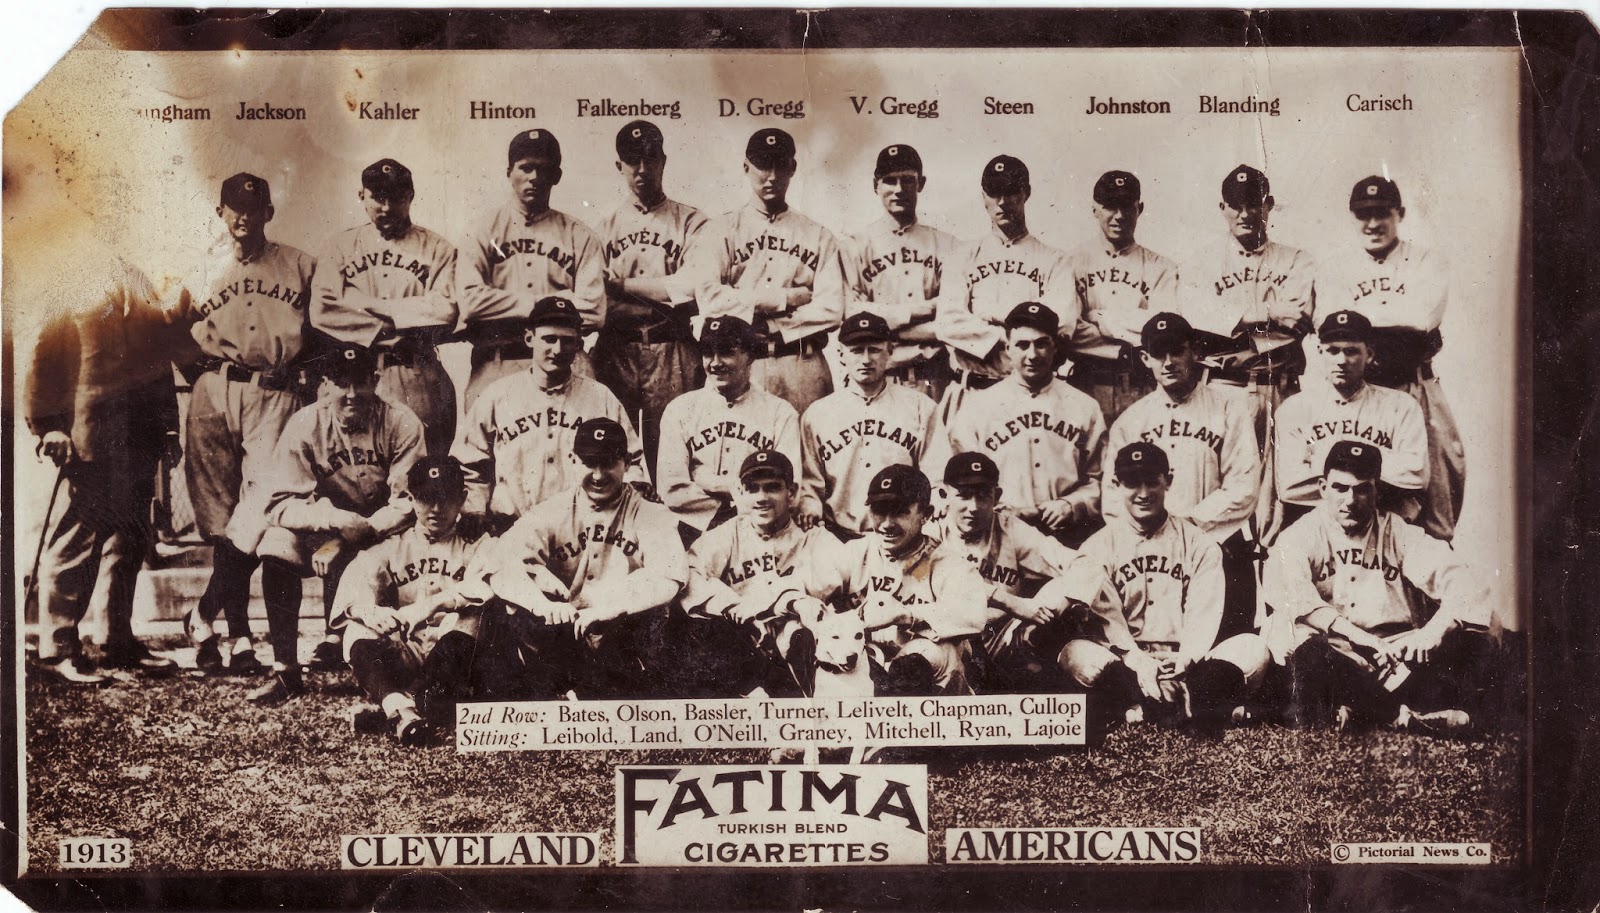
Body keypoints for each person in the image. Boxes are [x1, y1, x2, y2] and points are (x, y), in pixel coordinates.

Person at [168, 172, 318, 676]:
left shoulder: (299, 265)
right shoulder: (198, 264)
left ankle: (203, 613)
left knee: (261, 511)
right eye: (234, 208)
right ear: (220, 212)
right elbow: (167, 326)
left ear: (269, 213)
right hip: (213, 388)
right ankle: (239, 636)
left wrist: (301, 377)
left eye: (254, 209)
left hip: (274, 393)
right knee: (221, 517)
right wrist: (200, 373)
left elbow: (320, 331)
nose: (243, 218)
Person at [233, 344, 426, 703]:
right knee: (275, 544)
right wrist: (335, 523)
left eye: (360, 383)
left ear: (375, 381)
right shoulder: (306, 423)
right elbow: (279, 504)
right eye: (341, 383)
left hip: (386, 534)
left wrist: (356, 533)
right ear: (325, 384)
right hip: (326, 531)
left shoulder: (401, 421)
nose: (351, 394)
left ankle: (386, 664)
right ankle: (285, 671)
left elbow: (408, 502)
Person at [1264, 440, 1491, 734]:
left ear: (1377, 490)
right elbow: (1293, 594)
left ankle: (1359, 710)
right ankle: (1398, 715)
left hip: (1391, 656)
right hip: (1335, 653)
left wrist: (1432, 633)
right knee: (1307, 653)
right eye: (1340, 488)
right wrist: (1358, 638)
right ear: (1322, 488)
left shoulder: (1398, 532)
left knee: (1469, 640)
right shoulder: (1301, 535)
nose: (1350, 500)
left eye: (1362, 489)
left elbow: (1468, 584)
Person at [26, 257, 182, 682]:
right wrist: (49, 428)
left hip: (140, 436)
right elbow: (45, 359)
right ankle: (59, 647)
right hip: (89, 434)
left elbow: (159, 363)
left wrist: (169, 431)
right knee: (80, 536)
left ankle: (118, 642)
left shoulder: (142, 281)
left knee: (129, 538)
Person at [1073, 442, 1272, 737]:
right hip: (1127, 660)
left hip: (1188, 661)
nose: (1143, 493)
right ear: (1115, 484)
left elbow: (1203, 613)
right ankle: (1179, 701)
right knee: (1076, 654)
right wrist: (1139, 662)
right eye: (1131, 482)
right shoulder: (1098, 546)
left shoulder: (1198, 543)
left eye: (1152, 481)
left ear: (1169, 480)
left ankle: (1150, 703)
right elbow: (1109, 622)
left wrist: (1186, 659)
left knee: (1254, 649)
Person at [486, 418, 690, 699]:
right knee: (518, 612)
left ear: (626, 463)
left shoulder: (651, 515)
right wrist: (540, 605)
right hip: (568, 639)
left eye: (608, 463)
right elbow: (499, 566)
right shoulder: (552, 510)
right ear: (573, 461)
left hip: (625, 636)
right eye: (589, 463)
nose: (597, 474)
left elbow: (669, 579)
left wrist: (613, 608)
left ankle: (584, 690)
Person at [1314, 176, 1465, 541]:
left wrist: (1359, 318)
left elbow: (1423, 316)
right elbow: (1326, 321)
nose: (1372, 224)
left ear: (1401, 214)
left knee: (1439, 485)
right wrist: (1393, 319)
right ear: (1353, 218)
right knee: (1355, 485)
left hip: (1415, 382)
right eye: (1363, 215)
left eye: (1382, 213)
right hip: (1364, 389)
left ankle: (1435, 582)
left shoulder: (1427, 260)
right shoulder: (1336, 265)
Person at [761, 464, 988, 695]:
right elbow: (787, 586)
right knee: (794, 628)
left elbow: (974, 613)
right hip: (865, 667)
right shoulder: (857, 551)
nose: (887, 523)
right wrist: (797, 601)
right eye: (879, 511)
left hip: (928, 683)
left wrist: (908, 615)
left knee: (927, 652)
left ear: (926, 515)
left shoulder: (946, 562)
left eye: (900, 511)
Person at [1179, 165, 1317, 536]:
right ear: (1222, 207)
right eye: (1235, 206)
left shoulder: (1297, 260)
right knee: (1223, 496)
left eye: (1253, 204)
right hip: (1225, 388)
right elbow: (1198, 323)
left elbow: (1297, 325)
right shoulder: (1200, 262)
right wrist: (1269, 313)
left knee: (1282, 501)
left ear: (1268, 205)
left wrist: (1234, 328)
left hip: (1281, 389)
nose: (1244, 214)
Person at [1106, 313, 1261, 637]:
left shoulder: (1229, 408)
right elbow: (1113, 499)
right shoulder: (1131, 421)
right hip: (1151, 558)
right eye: (1158, 353)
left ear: (1195, 351)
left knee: (1226, 658)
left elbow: (1244, 487)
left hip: (1218, 547)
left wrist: (1185, 526)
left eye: (1176, 351)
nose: (1168, 362)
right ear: (1145, 358)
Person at [332, 456, 495, 745]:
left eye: (445, 498)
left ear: (463, 498)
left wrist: (428, 607)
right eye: (426, 498)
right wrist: (367, 611)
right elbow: (356, 587)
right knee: (357, 628)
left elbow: (484, 588)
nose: (435, 509)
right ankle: (405, 708)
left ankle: (394, 711)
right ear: (411, 498)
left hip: (452, 661)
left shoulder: (479, 543)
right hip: (407, 653)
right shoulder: (393, 545)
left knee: (473, 616)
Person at [687, 127, 847, 416]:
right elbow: (710, 297)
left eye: (780, 164)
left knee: (806, 454)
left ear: (793, 167)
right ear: (746, 167)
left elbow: (831, 310)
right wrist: (784, 299)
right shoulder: (720, 230)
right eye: (763, 164)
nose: (772, 176)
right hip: (744, 365)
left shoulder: (819, 235)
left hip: (802, 363)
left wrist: (768, 326)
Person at [932, 453, 1123, 694]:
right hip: (952, 641)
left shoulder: (1009, 529)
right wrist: (1012, 602)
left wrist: (1059, 605)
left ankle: (1035, 643)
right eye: (963, 496)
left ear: (996, 496)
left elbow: (1085, 564)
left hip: (1003, 639)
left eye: (983, 496)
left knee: (1061, 586)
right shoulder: (930, 533)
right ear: (943, 494)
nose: (973, 507)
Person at [453, 296, 643, 537]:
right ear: (529, 338)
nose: (557, 350)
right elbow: (468, 464)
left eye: (567, 341)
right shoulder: (497, 395)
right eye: (549, 339)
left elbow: (631, 461)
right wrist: (474, 512)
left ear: (578, 345)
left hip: (582, 530)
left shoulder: (599, 396)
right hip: (511, 527)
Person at [312, 158, 458, 455]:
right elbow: (323, 311)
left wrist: (364, 304)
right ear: (362, 196)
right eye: (378, 198)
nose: (387, 207)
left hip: (414, 371)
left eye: (397, 197)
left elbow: (445, 309)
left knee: (422, 469)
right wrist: (402, 318)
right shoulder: (339, 247)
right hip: (352, 375)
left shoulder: (438, 248)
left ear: (411, 196)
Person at [935, 302, 1107, 547]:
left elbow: (1100, 478)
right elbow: (955, 483)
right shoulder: (978, 407)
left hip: (1067, 535)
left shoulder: (1084, 406)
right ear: (1008, 348)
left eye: (1041, 343)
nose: (1033, 355)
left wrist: (1072, 504)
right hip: (998, 535)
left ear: (1054, 346)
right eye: (1022, 345)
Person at [592, 120, 709, 477]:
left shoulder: (691, 222)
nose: (642, 169)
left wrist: (624, 285)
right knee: (614, 449)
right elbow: (596, 295)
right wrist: (662, 289)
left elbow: (691, 288)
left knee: (677, 449)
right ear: (619, 166)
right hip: (616, 349)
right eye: (632, 161)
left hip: (671, 347)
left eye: (650, 159)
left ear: (663, 161)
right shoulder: (602, 227)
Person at [456, 128, 606, 407]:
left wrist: (503, 306)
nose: (534, 178)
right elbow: (471, 302)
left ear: (557, 176)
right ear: (509, 171)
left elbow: (594, 311)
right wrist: (552, 306)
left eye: (543, 169)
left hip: (567, 368)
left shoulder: (580, 235)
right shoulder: (480, 231)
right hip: (496, 363)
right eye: (525, 168)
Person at [682, 449, 841, 696]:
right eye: (752, 488)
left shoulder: (813, 537)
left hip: (800, 659)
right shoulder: (729, 534)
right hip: (744, 654)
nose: (761, 497)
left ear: (792, 493)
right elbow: (689, 574)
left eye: (772, 487)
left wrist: (768, 605)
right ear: (741, 493)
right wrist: (731, 606)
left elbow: (836, 575)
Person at [934, 154, 1074, 423]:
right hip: (971, 390)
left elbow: (1061, 326)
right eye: (993, 192)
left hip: (1030, 396)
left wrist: (985, 319)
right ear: (983, 196)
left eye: (1010, 192)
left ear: (1026, 193)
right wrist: (1010, 335)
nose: (1002, 202)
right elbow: (948, 323)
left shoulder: (1055, 260)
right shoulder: (961, 256)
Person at [1274, 309, 1428, 533]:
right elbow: (1289, 486)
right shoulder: (1295, 409)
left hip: (1385, 527)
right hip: (1318, 529)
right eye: (1333, 351)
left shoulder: (1401, 406)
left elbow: (1416, 475)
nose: (1342, 360)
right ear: (1319, 353)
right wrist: (1374, 473)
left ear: (1370, 354)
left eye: (1351, 351)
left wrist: (1322, 460)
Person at [656, 315, 802, 539]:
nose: (715, 363)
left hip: (757, 534)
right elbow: (672, 489)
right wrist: (729, 497)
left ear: (750, 356)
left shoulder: (780, 414)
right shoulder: (680, 410)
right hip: (693, 530)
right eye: (707, 353)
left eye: (726, 352)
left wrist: (703, 478)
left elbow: (790, 490)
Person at [797, 311, 937, 538]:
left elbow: (936, 477)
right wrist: (810, 505)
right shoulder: (818, 414)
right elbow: (809, 486)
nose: (865, 359)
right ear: (841, 354)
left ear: (889, 352)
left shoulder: (921, 407)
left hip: (902, 537)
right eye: (856, 351)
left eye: (874, 350)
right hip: (839, 538)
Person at [843, 143, 960, 401]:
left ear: (921, 183)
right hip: (878, 381)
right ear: (876, 185)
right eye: (889, 181)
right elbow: (851, 314)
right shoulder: (855, 244)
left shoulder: (948, 245)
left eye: (907, 180)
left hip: (934, 379)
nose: (898, 189)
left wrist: (886, 326)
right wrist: (925, 310)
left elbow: (955, 316)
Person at [1063, 170, 1178, 426]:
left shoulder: (1162, 268)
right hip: (1085, 383)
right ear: (1095, 209)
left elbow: (1160, 332)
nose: (1119, 216)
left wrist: (1098, 317)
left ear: (1140, 208)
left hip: (1140, 385)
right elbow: (1068, 330)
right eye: (1109, 207)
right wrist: (1128, 342)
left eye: (1127, 206)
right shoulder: (1069, 263)